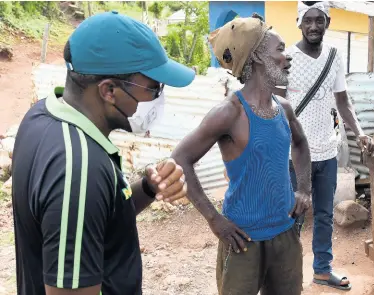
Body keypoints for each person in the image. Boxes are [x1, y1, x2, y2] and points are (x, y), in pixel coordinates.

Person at [11, 11, 192, 295]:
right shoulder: (79, 170)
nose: (159, 98)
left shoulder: (42, 116)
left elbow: (96, 219)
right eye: (153, 88)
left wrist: (147, 188)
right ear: (109, 90)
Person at [171, 14, 312, 295]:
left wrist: (304, 189)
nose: (288, 57)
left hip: (285, 233)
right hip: (242, 239)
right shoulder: (229, 113)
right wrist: (214, 220)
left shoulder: (283, 107)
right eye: (280, 49)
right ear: (258, 57)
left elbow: (300, 143)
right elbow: (180, 160)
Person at [274, 1, 374, 291]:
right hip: (295, 154)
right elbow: (277, 105)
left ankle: (321, 270)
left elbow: (342, 102)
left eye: (320, 20)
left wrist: (360, 133)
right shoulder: (287, 57)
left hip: (327, 151)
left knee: (324, 215)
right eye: (308, 20)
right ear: (299, 23)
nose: (314, 26)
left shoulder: (334, 56)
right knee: (292, 216)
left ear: (327, 23)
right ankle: (285, 274)